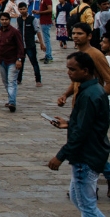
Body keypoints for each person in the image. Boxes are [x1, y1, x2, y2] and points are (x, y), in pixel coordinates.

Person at [48, 51, 110, 217]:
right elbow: (89, 124)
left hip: (86, 156)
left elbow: (81, 133)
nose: (69, 73)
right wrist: (69, 124)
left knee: (87, 207)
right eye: (68, 69)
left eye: (73, 69)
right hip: (90, 152)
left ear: (86, 70)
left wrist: (60, 156)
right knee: (78, 198)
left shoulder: (90, 95)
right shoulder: (91, 90)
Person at [0, 12, 24, 113]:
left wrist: (19, 59)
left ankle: (12, 101)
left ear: (9, 20)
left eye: (6, 19)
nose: (4, 21)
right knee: (5, 81)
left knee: (12, 81)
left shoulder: (14, 32)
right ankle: (10, 98)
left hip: (12, 60)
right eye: (2, 20)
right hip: (1, 60)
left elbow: (20, 46)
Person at [16, 2, 44, 88]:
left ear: (27, 9)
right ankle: (18, 79)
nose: (22, 11)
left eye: (23, 9)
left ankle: (38, 80)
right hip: (21, 45)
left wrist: (41, 43)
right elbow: (17, 31)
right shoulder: (19, 19)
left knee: (34, 63)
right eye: (20, 9)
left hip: (30, 45)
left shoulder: (32, 19)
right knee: (21, 62)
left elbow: (38, 31)